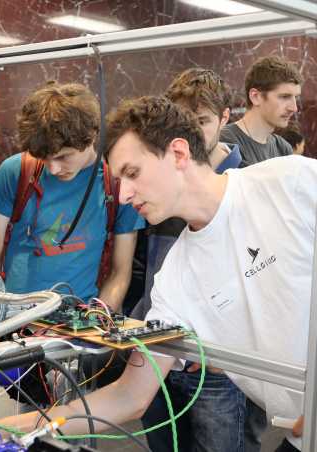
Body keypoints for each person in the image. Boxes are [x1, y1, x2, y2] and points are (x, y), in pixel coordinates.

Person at [0, 96, 313, 452]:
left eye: (132, 173)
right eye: (118, 180)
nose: (124, 195)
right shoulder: (175, 279)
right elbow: (130, 395)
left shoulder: (290, 182)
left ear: (178, 153)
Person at [132, 69, 248, 452]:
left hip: (216, 366)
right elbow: (148, 264)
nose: (193, 133)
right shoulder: (158, 176)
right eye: (184, 122)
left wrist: (224, 350)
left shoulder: (247, 184)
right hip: (162, 343)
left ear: (225, 117)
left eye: (202, 121)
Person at [0, 82, 144, 311]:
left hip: (80, 327)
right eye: (44, 157)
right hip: (12, 324)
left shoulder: (120, 185)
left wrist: (96, 324)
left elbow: (120, 273)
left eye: (64, 157)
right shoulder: (16, 172)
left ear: (92, 136)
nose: (53, 169)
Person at [220, 56, 301, 164]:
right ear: (255, 97)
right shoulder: (225, 142)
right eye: (284, 97)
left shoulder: (283, 148)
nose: (294, 108)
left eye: (296, 97)